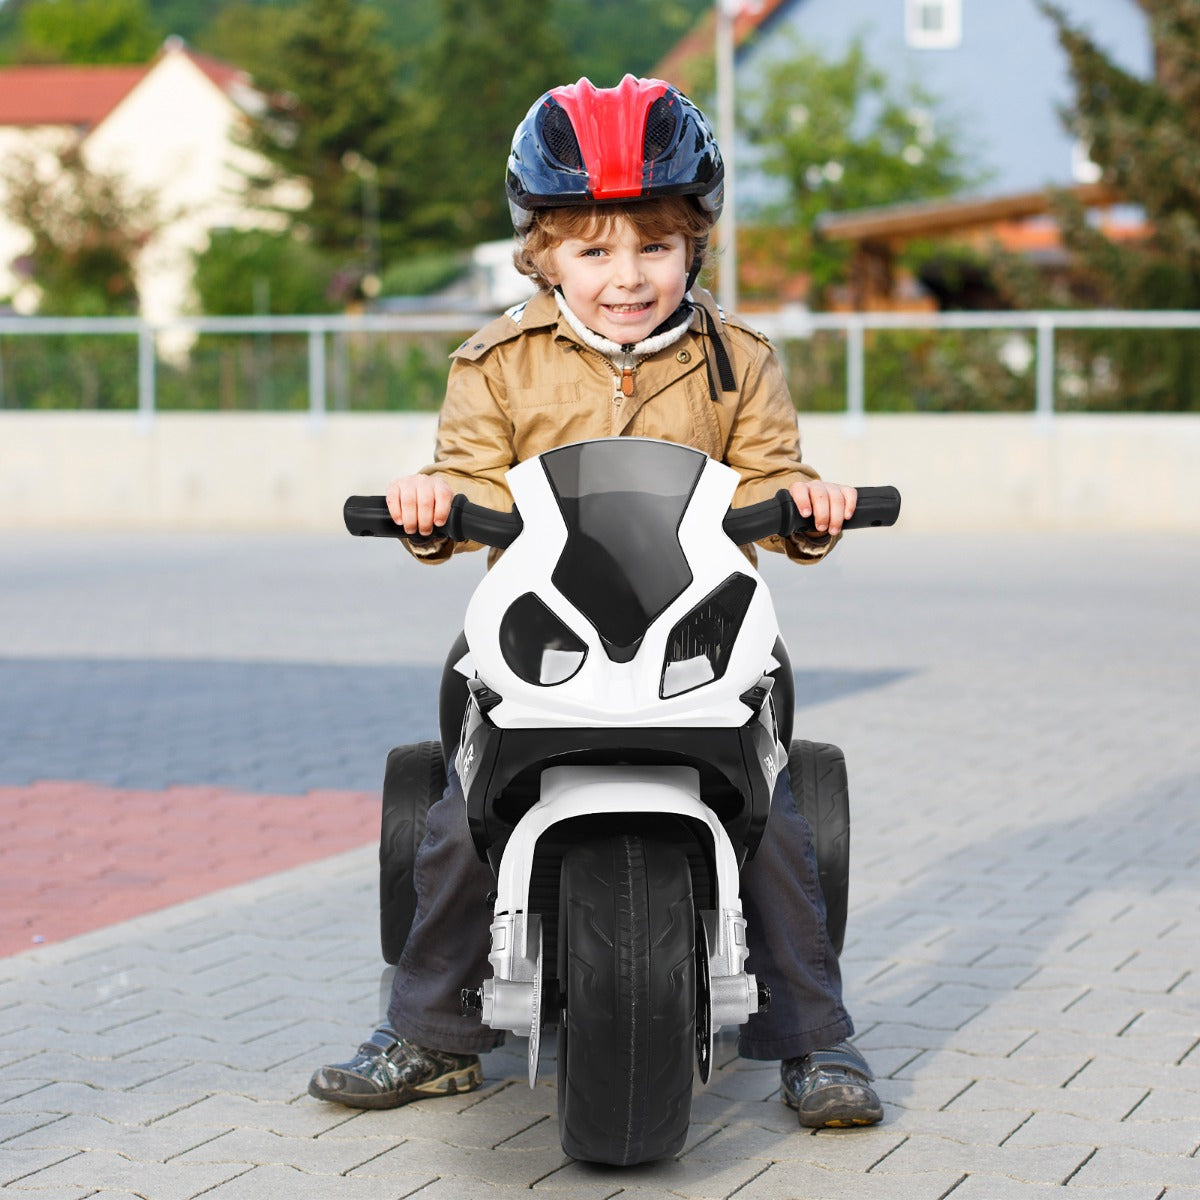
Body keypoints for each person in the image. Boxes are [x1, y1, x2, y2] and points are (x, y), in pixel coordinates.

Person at [308, 75, 883, 1130]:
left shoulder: (738, 360)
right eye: (595, 250)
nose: (628, 276)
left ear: (695, 246)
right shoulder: (496, 363)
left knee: (772, 819)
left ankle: (816, 1037)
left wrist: (807, 505)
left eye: (655, 247)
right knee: (459, 820)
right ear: (543, 253)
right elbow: (473, 480)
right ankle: (430, 1033)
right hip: (547, 639)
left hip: (700, 637)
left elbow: (768, 480)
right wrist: (434, 505)